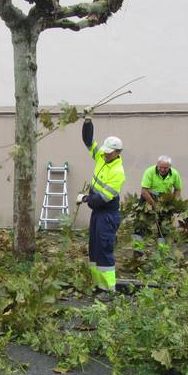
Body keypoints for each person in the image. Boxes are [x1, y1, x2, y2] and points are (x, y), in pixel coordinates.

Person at [77, 118, 126, 295]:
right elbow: (88, 141)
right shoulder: (101, 156)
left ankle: (109, 289)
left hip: (107, 214)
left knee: (104, 249)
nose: (105, 154)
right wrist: (87, 121)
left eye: (109, 153)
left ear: (118, 152)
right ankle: (98, 286)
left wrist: (85, 198)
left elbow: (102, 199)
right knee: (94, 249)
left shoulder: (118, 173)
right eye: (105, 151)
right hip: (97, 214)